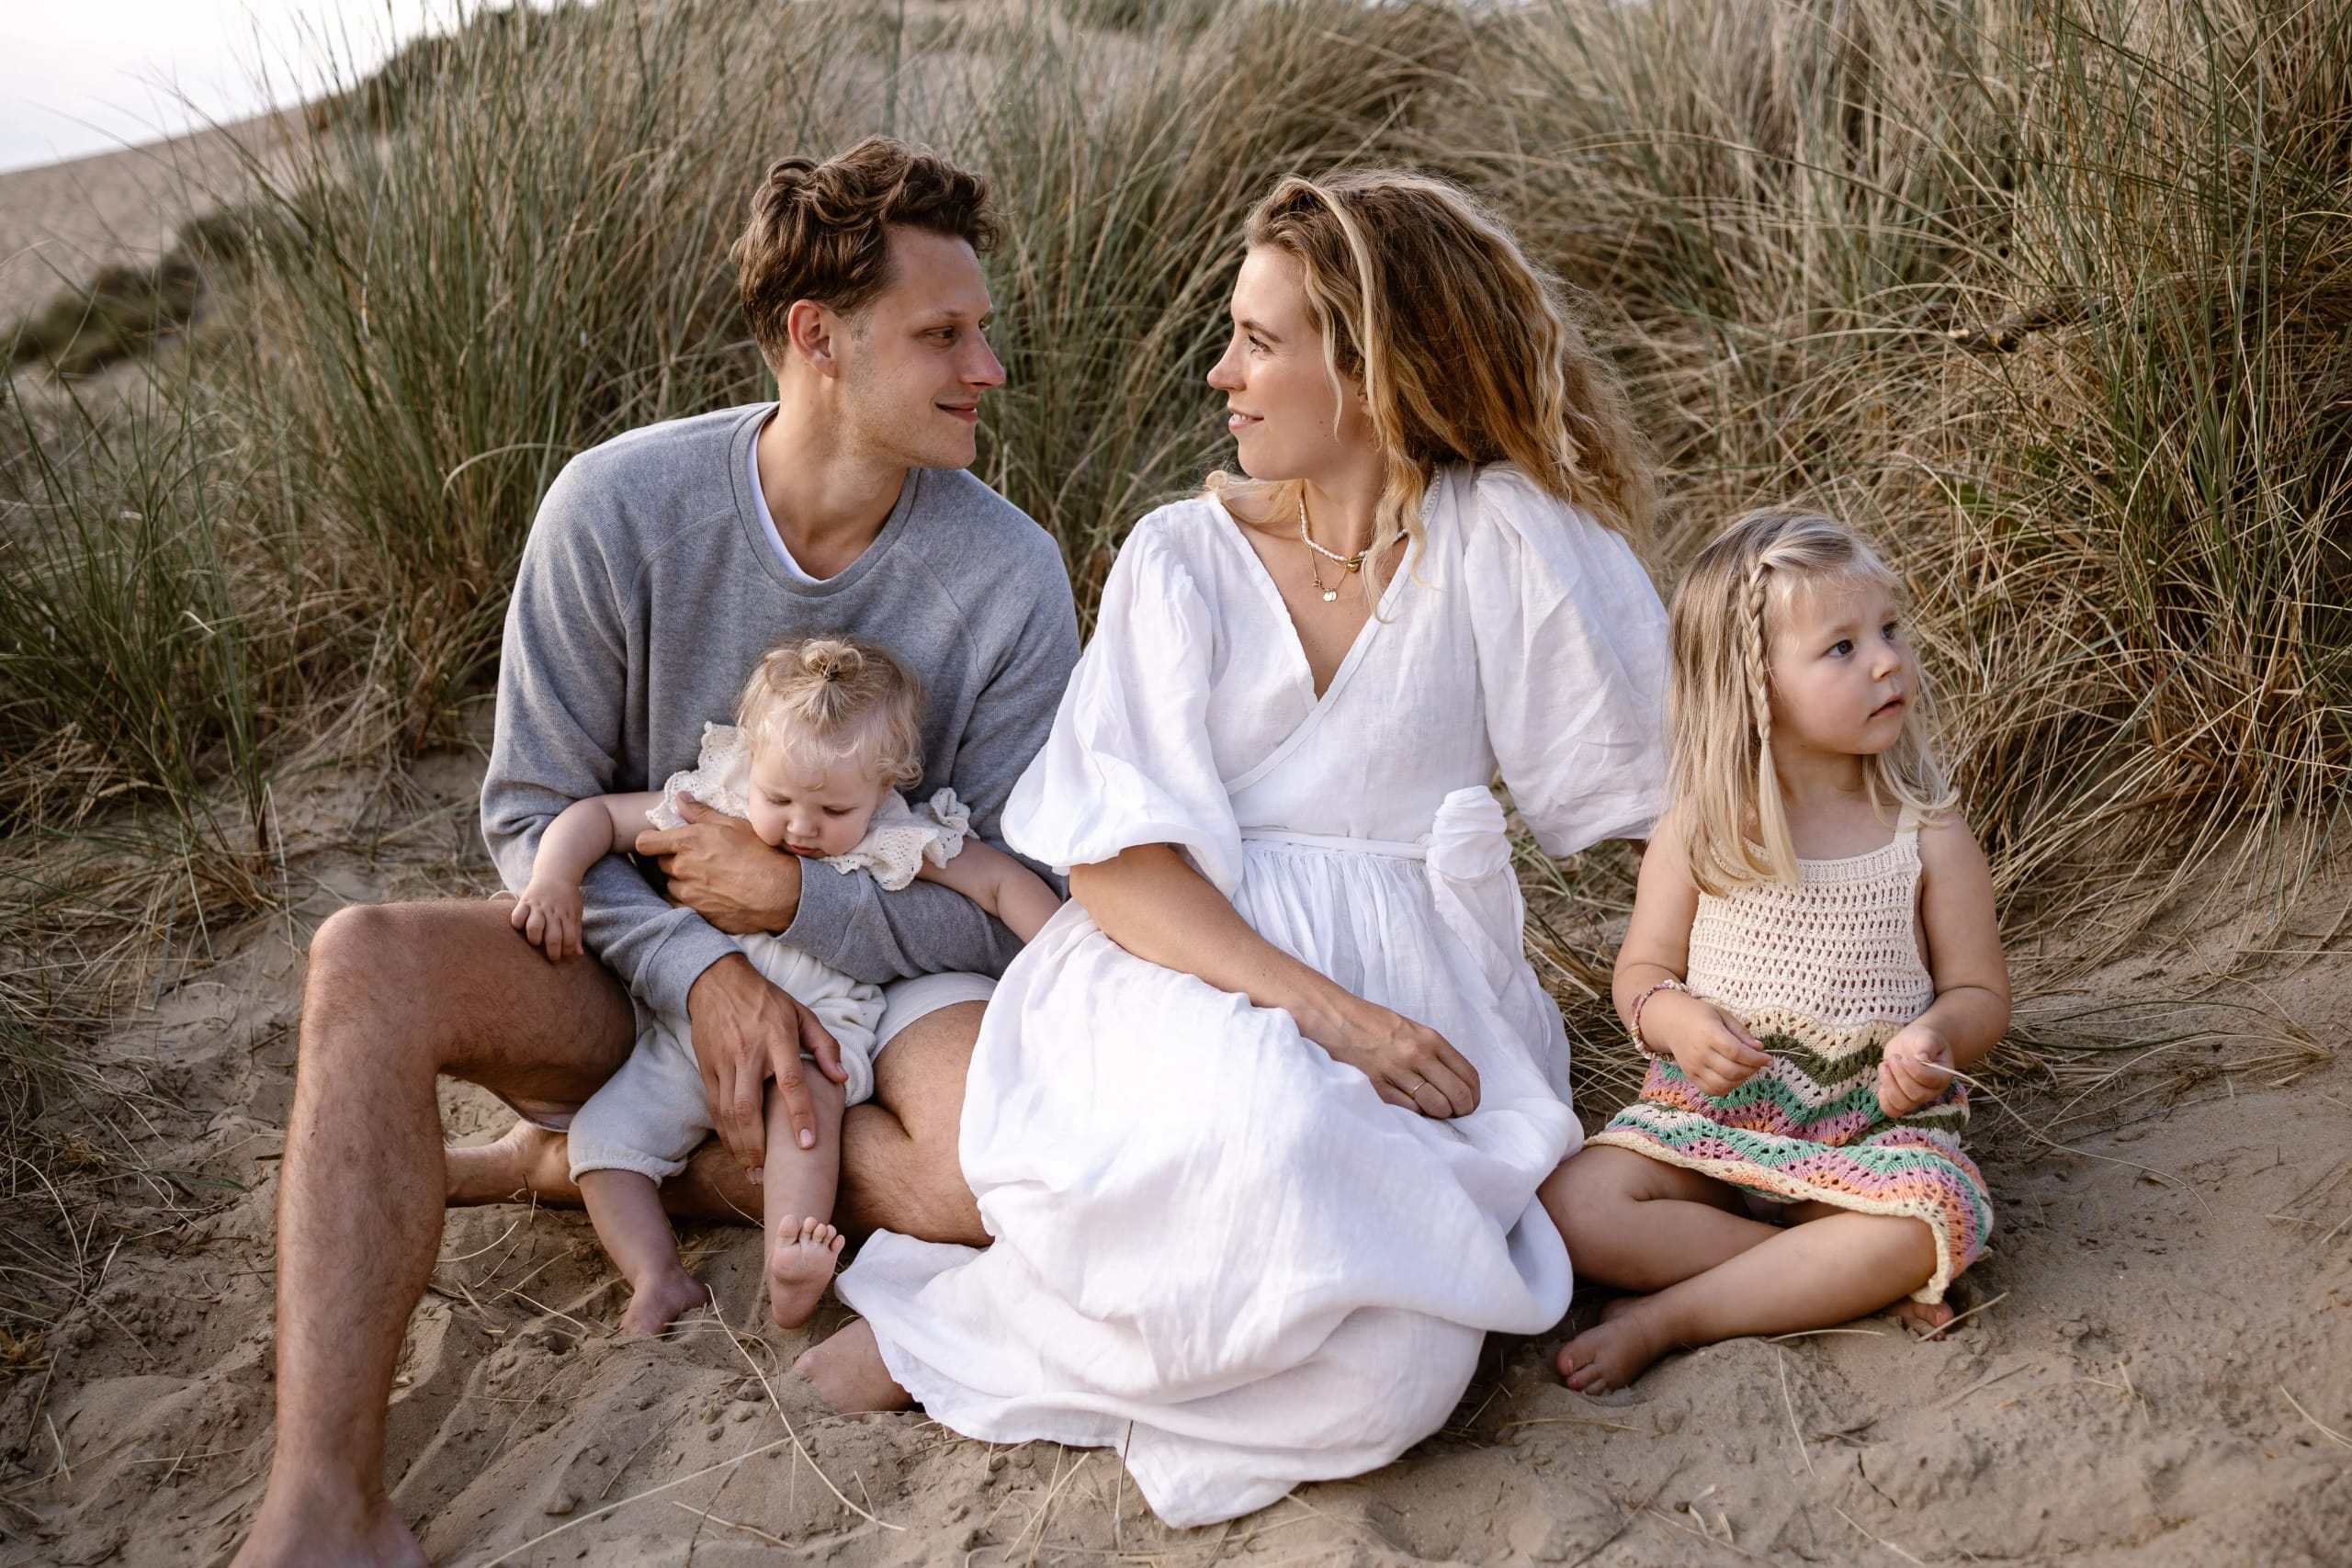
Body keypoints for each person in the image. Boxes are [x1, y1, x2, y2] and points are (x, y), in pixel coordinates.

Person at [231, 138, 1080, 1568]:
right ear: (818, 335)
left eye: (980, 327)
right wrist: (701, 971)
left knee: (984, 1183)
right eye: (946, 332)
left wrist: (800, 901)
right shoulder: (616, 508)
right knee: (361, 956)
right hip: (620, 982)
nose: (986, 364)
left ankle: (590, 1161)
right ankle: (323, 1501)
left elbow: (1010, 908)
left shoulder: (1009, 576)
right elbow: (530, 811)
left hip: (881, 1009)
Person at [793, 169, 1672, 1528]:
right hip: (1184, 959)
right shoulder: (1180, 556)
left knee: (1400, 1377)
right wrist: (1335, 1017)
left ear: (1374, 369)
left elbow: (1661, 793)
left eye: (1260, 341)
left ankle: (1018, 1341)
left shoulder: (1504, 538)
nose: (1222, 373)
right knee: (1266, 1123)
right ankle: (956, 1329)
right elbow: (1116, 865)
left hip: (1422, 970)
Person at [1540, 509, 2010, 1394]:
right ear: (1754, 684)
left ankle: (1678, 1314)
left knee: (1922, 1217)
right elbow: (1639, 971)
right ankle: (1816, 1275)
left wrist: (1938, 1038)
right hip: (1716, 1126)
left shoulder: (1927, 834)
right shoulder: (1700, 830)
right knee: (1573, 1206)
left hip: (1869, 1131)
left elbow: (1982, 990)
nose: (1886, 660)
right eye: (1841, 647)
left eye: (1889, 630)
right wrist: (1672, 1017)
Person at [506, 635, 1059, 1335]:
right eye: (780, 798)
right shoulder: (721, 798)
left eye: (831, 814)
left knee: (805, 1118)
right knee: (602, 1142)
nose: (802, 826)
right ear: (751, 762)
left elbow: (1002, 880)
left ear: (884, 787)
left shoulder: (888, 831)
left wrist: (1065, 957)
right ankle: (655, 1274)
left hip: (823, 1023)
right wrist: (553, 876)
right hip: (693, 1022)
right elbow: (598, 817)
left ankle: (789, 1262)